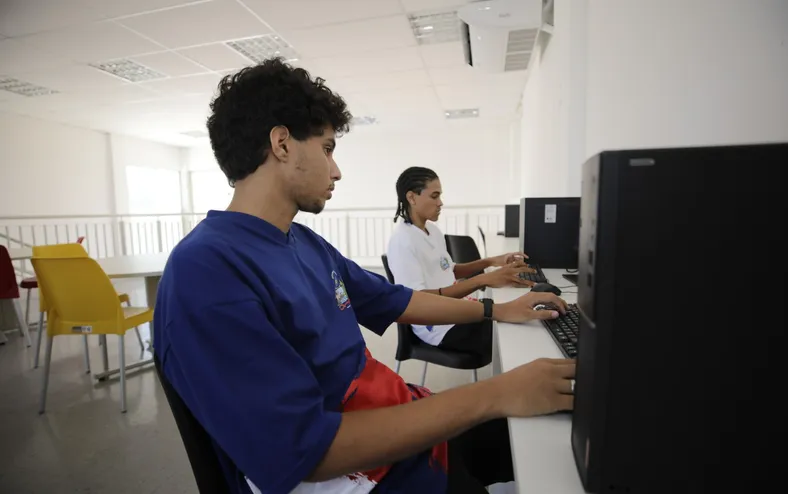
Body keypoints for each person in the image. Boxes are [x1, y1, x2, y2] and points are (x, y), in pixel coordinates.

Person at [153, 57, 572, 494]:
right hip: (369, 474)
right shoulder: (207, 273)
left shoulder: (303, 242)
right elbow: (307, 452)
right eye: (328, 148)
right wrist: (496, 393)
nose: (336, 171)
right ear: (282, 144)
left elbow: (398, 300)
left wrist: (496, 310)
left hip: (400, 431)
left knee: (560, 430)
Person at [386, 166, 535, 359]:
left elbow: (451, 270)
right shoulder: (402, 241)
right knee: (511, 332)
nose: (440, 203)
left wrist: (492, 261)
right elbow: (417, 300)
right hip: (438, 326)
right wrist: (483, 280)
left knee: (517, 320)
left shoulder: (432, 231)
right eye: (434, 196)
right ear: (412, 198)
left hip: (456, 310)